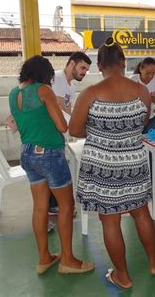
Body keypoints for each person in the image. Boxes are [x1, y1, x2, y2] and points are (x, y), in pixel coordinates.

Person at [70, 38, 155, 289]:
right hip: (134, 159)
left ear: (99, 65)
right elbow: (143, 123)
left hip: (101, 164)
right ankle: (154, 262)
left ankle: (122, 276)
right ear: (124, 63)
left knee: (110, 220)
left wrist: (100, 132)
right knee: (141, 212)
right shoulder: (141, 91)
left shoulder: (90, 93)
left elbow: (75, 129)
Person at [9, 55, 93, 275]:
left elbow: (27, 121)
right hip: (48, 153)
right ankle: (67, 260)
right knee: (66, 205)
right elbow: (62, 126)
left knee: (40, 207)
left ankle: (44, 257)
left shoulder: (14, 93)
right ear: (43, 75)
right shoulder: (43, 91)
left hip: (27, 153)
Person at [47, 52, 92, 227]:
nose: (84, 73)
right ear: (71, 64)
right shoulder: (56, 78)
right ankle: (54, 206)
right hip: (49, 131)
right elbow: (59, 106)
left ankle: (54, 205)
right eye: (82, 68)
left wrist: (79, 124)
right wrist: (79, 126)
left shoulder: (71, 87)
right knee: (54, 170)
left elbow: (69, 109)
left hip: (59, 131)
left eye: (87, 70)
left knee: (57, 168)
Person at [131, 57, 155, 133]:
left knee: (149, 141)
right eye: (147, 73)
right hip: (135, 119)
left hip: (151, 118)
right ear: (140, 69)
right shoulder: (132, 80)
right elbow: (129, 99)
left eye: (153, 73)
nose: (150, 76)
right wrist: (150, 98)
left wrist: (142, 97)